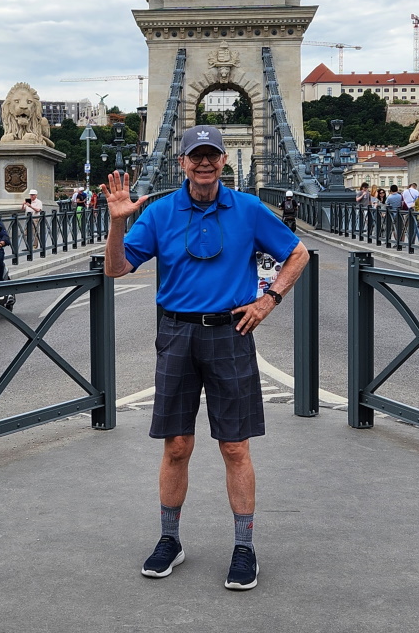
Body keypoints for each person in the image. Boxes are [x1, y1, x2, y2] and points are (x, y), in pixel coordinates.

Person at [102, 124, 309, 592]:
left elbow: (298, 253)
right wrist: (118, 221)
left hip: (229, 333)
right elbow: (116, 269)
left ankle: (243, 548)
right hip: (175, 333)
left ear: (222, 161)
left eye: (212, 155)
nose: (204, 163)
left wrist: (268, 299)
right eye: (196, 155)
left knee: (235, 446)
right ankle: (170, 540)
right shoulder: (158, 214)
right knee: (176, 445)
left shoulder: (249, 209)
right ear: (182, 163)